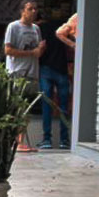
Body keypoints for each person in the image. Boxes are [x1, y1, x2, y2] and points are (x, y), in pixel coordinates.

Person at [3, 0, 44, 152]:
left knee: (27, 109)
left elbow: (37, 53)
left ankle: (21, 141)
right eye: (30, 9)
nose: (34, 11)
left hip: (32, 72)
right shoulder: (13, 27)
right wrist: (30, 53)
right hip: (17, 72)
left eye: (35, 9)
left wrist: (39, 49)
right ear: (22, 11)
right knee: (16, 107)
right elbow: (8, 50)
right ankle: (15, 141)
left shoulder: (36, 29)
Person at [38, 15, 73, 149]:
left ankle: (47, 139)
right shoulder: (64, 27)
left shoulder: (39, 29)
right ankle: (64, 140)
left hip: (46, 69)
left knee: (46, 106)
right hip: (62, 69)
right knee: (63, 107)